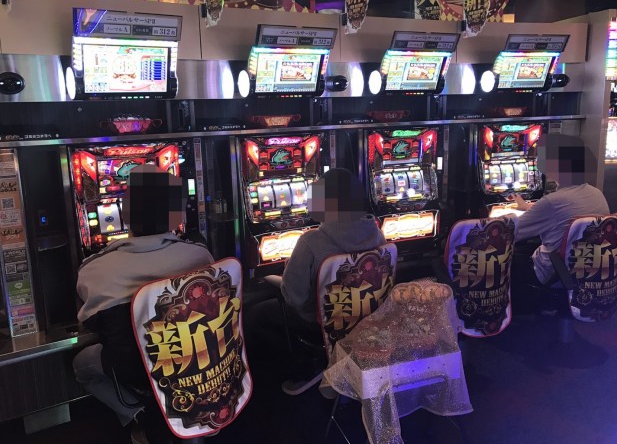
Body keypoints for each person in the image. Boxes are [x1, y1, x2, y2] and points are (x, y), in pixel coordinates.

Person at [72, 165, 215, 444]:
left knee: (81, 365)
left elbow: (90, 324)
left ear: (124, 213)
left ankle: (139, 412)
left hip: (139, 371)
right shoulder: (201, 256)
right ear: (177, 215)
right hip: (198, 364)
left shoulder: (95, 270)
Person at [244, 168, 386, 394]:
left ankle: (300, 369)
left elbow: (294, 298)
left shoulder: (311, 241)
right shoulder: (376, 233)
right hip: (368, 317)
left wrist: (272, 277)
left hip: (321, 323)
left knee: (255, 315)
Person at [510, 134, 610, 294]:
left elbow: (511, 232)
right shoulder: (597, 193)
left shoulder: (552, 202)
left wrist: (501, 218)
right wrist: (528, 207)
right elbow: (564, 213)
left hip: (552, 269)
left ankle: (524, 302)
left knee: (504, 256)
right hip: (588, 265)